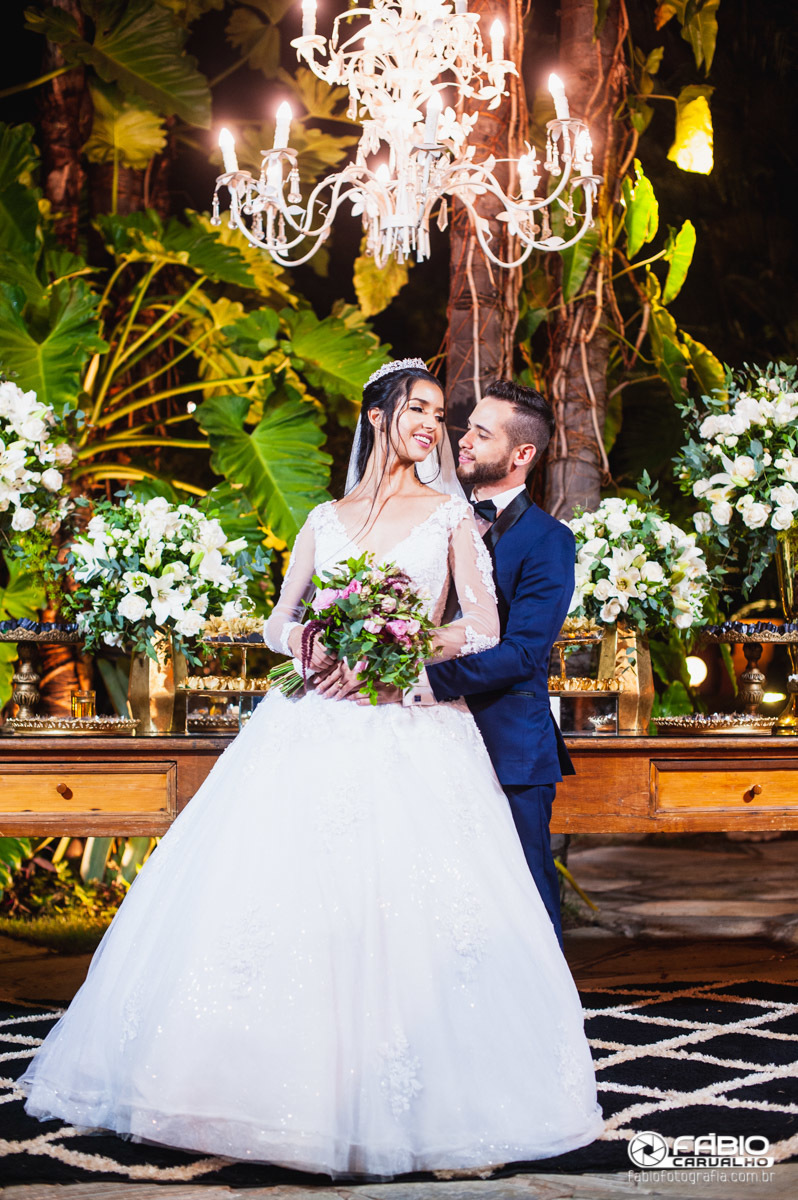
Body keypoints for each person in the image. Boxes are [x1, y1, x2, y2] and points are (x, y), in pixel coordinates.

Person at [20, 359, 603, 1178]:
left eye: (441, 414)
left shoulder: (450, 520)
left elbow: (478, 630)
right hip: (309, 726)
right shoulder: (325, 519)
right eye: (419, 410)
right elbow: (276, 619)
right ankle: (244, 1089)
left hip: (409, 728)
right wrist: (314, 642)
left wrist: (395, 651)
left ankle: (432, 1103)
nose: (432, 427)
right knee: (278, 898)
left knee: (413, 906)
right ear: (377, 418)